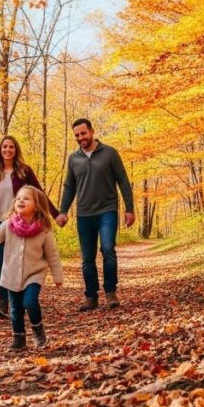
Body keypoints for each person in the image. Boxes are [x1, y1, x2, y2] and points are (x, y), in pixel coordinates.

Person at [0, 185, 63, 351]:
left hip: (34, 274)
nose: (21, 200)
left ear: (36, 206)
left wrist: (58, 276)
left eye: (26, 198)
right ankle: (19, 339)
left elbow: (52, 254)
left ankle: (37, 329)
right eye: (18, 198)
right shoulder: (8, 225)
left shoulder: (43, 229)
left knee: (30, 302)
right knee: (15, 309)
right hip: (11, 274)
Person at [56, 118, 134, 311]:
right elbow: (69, 186)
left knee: (107, 248)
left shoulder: (109, 153)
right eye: (76, 135)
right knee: (87, 258)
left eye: (83, 133)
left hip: (107, 210)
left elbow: (123, 181)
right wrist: (63, 211)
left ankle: (110, 292)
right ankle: (91, 296)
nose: (80, 137)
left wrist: (129, 208)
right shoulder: (73, 159)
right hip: (84, 213)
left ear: (91, 131)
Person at [0, 136, 58, 320]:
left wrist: (55, 214)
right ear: (0, 150)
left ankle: (22, 297)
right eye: (5, 147)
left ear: (16, 150)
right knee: (3, 262)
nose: (8, 150)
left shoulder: (24, 171)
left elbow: (39, 194)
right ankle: (3, 302)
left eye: (11, 147)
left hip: (20, 223)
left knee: (20, 260)